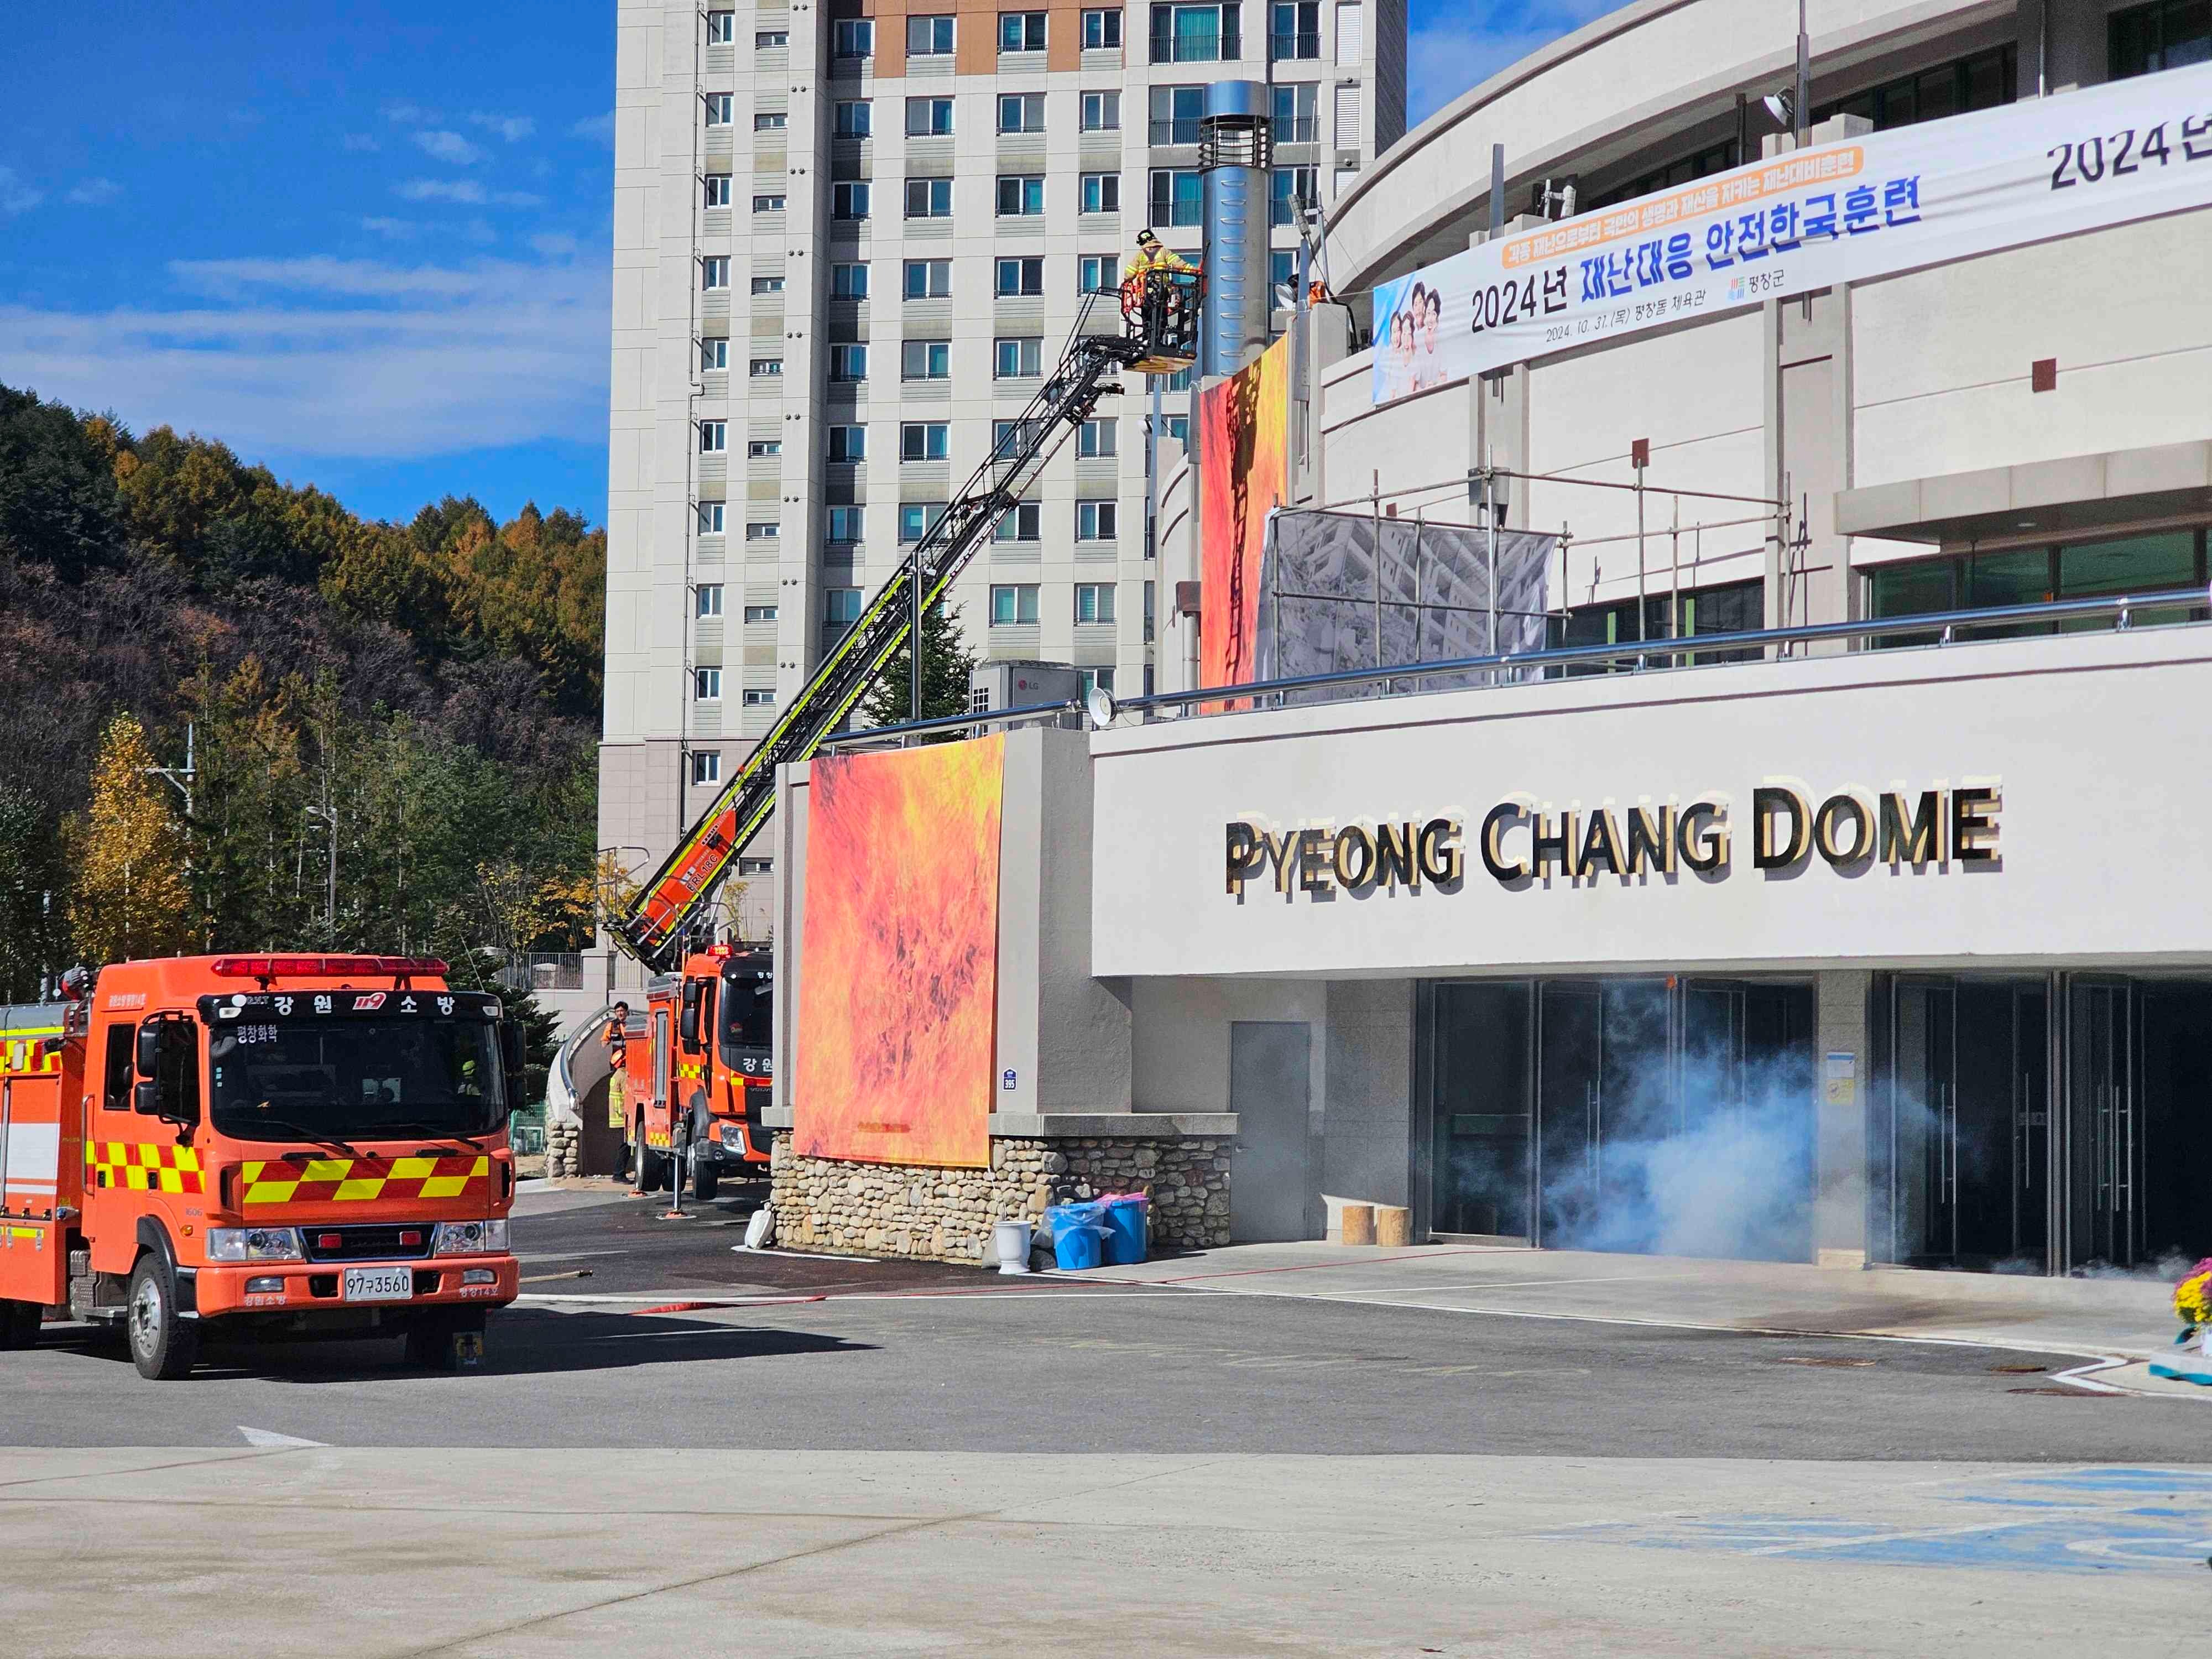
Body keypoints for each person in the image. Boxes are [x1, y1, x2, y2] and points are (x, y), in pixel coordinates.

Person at [1123, 229, 1198, 352]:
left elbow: (1129, 274)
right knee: (1160, 319)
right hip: (1161, 293)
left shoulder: (1140, 255)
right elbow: (1180, 265)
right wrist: (1195, 272)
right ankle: (1156, 342)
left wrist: (1128, 279)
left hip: (1144, 294)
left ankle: (1147, 341)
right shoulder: (1164, 252)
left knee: (1147, 319)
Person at [604, 1001, 629, 1135]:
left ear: (626, 1012)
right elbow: (604, 1041)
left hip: (630, 1064)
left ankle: (625, 1115)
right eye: (618, 1011)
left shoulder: (632, 1025)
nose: (620, 1013)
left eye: (622, 1011)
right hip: (618, 1064)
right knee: (615, 1086)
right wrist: (606, 1041)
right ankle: (619, 1118)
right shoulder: (612, 1025)